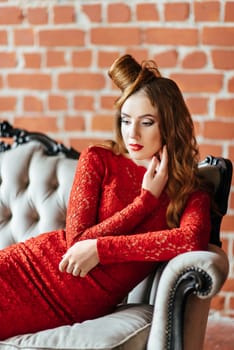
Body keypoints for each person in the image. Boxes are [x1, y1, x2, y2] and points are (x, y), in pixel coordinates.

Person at [0, 54, 212, 339]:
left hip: (74, 302)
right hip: (29, 266)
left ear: (169, 125)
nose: (132, 133)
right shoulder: (98, 159)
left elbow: (191, 239)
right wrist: (145, 201)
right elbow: (77, 243)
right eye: (126, 120)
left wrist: (102, 250)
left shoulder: (189, 190)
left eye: (146, 122)